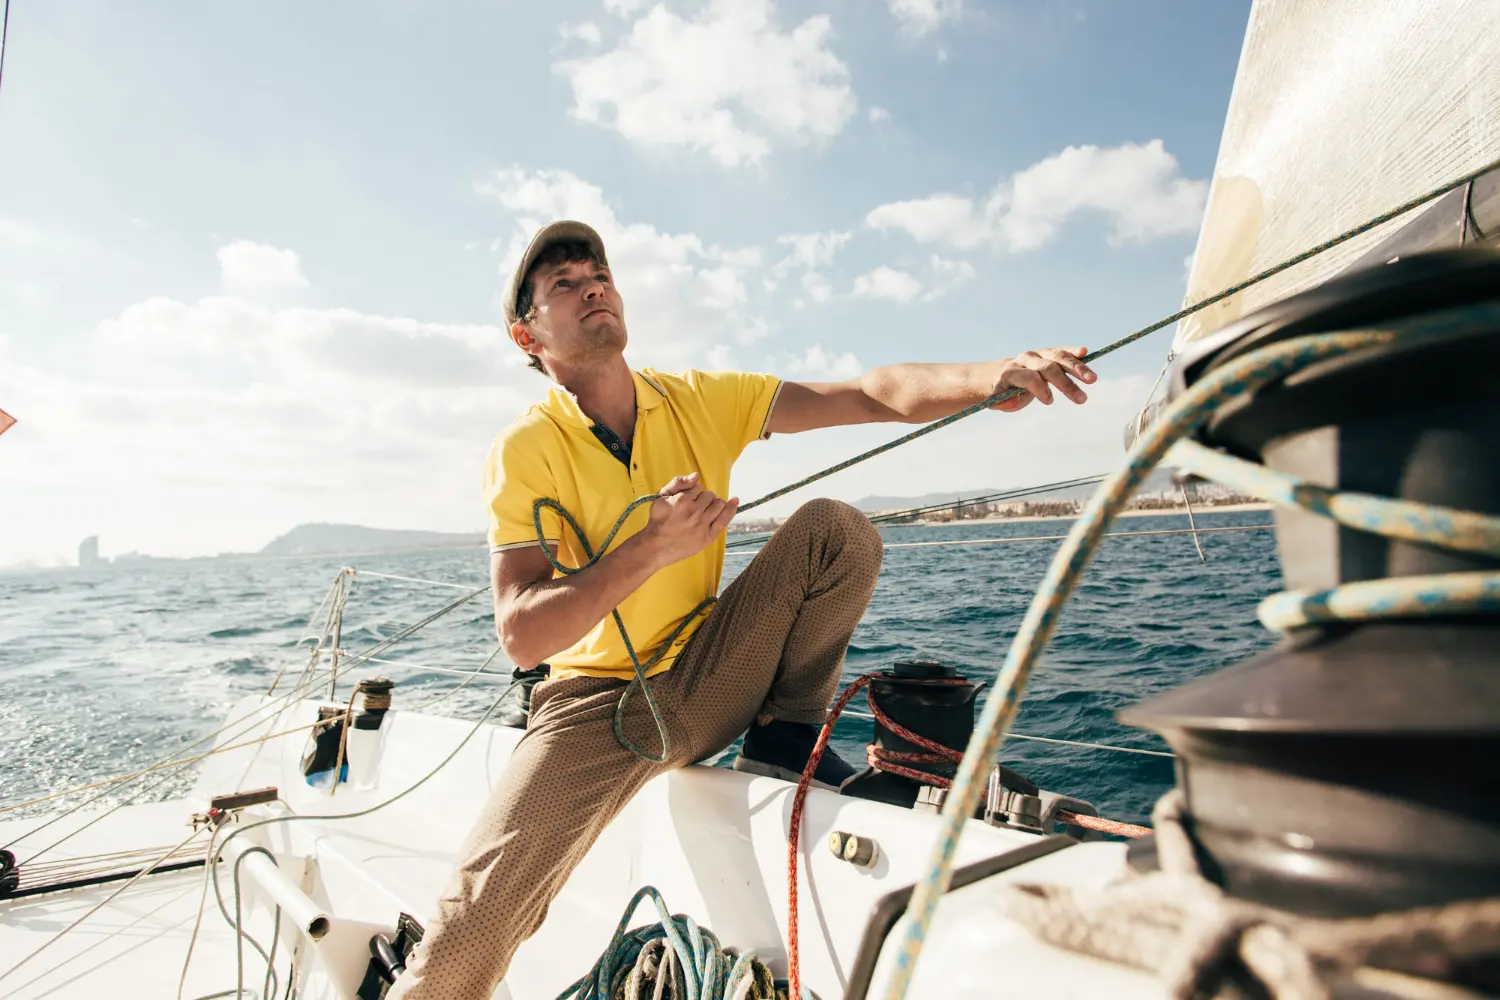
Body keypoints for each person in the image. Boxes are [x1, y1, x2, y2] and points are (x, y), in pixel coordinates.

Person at [386, 220, 1096, 998]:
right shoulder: (526, 449)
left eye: (600, 273)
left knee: (836, 532)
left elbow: (868, 393)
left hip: (708, 676)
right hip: (591, 709)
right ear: (528, 335)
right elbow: (521, 635)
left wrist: (992, 375)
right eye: (564, 282)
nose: (593, 284)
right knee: (468, 929)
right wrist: (647, 550)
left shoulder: (695, 400)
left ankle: (785, 739)